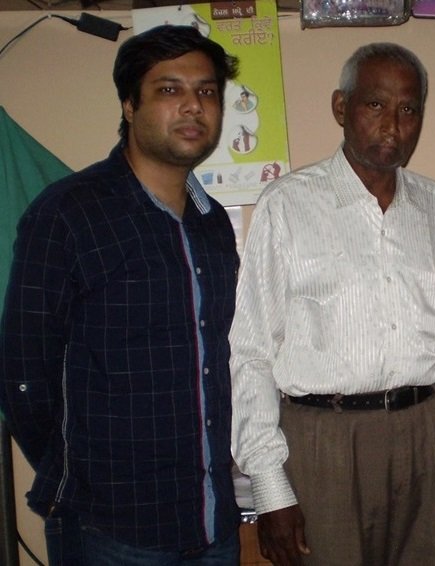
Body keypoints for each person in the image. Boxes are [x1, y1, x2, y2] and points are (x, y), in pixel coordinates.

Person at [0, 25, 241, 565]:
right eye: (169, 89)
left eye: (206, 91)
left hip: (212, 522)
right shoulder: (68, 213)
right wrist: (77, 474)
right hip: (110, 529)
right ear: (130, 106)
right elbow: (22, 373)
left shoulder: (213, 223)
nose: (193, 106)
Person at [230, 42, 435, 566]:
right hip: (324, 444)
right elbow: (250, 352)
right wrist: (270, 488)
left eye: (409, 109)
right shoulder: (287, 205)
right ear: (341, 107)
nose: (393, 125)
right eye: (375, 104)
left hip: (426, 433)